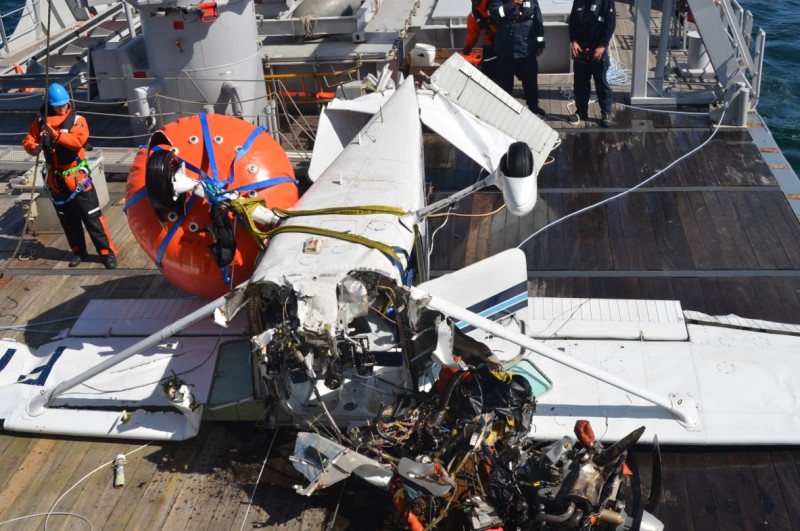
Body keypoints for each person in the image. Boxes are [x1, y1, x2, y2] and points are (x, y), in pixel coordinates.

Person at [22, 83, 118, 269]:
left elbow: (78, 141)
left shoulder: (77, 120)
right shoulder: (40, 123)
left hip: (77, 178)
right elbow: (28, 140)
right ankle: (78, 251)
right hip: (56, 180)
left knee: (92, 216)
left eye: (65, 104)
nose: (63, 107)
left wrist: (56, 136)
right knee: (68, 220)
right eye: (58, 105)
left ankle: (107, 252)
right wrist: (35, 147)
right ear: (50, 104)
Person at [489, 0, 546, 117]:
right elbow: (494, 14)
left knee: (530, 82)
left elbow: (538, 20)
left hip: (526, 50)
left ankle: (534, 107)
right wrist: (510, 5)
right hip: (505, 51)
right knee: (504, 85)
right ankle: (505, 112)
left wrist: (540, 44)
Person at [567, 0, 616, 127]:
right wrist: (574, 41)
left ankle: (606, 112)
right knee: (580, 82)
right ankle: (581, 110)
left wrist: (602, 45)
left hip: (598, 49)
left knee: (601, 82)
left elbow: (610, 23)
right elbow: (572, 20)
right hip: (580, 48)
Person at [463, 0, 499, 84]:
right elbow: (472, 32)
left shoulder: (494, 4)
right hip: (494, 42)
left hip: (502, 41)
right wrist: (468, 47)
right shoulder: (474, 14)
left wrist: (468, 47)